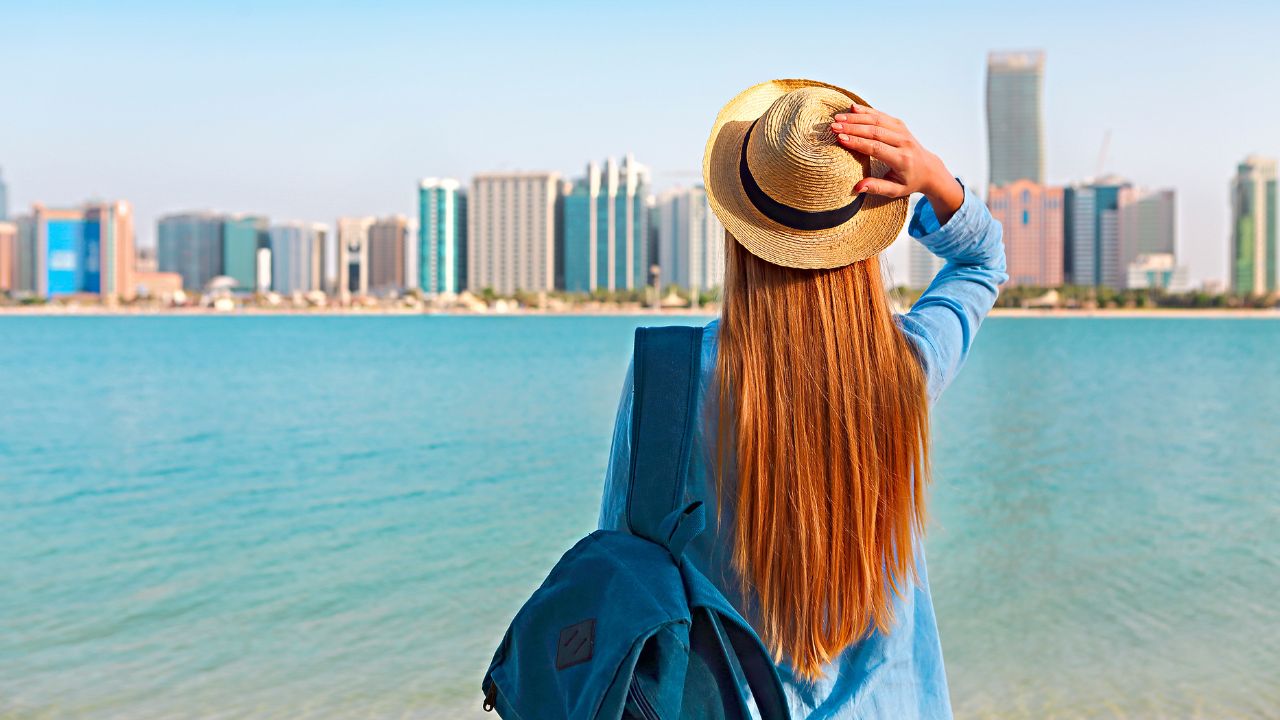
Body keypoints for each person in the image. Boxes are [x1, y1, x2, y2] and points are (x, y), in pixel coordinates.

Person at [598, 79, 1007, 719]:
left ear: (738, 232)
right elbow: (981, 264)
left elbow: (620, 576)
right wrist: (933, 180)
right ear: (865, 241)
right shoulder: (905, 367)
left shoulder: (671, 376)